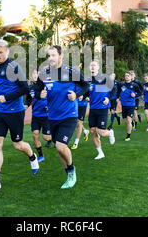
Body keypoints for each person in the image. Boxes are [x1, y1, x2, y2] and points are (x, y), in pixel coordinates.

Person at [0, 39, 38, 192]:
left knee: (17, 144)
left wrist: (6, 97)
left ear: (7, 52)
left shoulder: (14, 67)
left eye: (0, 52)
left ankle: (32, 156)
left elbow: (25, 89)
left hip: (15, 112)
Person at [33, 45, 89, 189]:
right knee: (59, 149)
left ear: (60, 56)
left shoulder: (70, 72)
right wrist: (40, 95)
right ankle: (68, 173)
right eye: (48, 55)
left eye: (53, 55)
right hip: (52, 117)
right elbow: (36, 90)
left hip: (69, 115)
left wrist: (76, 95)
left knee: (60, 145)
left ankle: (71, 170)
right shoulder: (44, 74)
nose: (50, 58)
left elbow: (86, 86)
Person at [86, 60, 116, 159]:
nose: (92, 67)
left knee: (101, 133)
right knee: (93, 131)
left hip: (102, 108)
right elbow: (86, 92)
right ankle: (100, 153)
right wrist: (85, 96)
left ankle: (110, 132)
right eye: (91, 66)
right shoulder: (88, 80)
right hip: (93, 109)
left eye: (94, 65)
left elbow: (114, 89)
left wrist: (108, 98)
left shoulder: (105, 78)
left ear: (98, 67)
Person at [26, 68, 52, 162]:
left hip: (46, 116)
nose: (34, 75)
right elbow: (29, 100)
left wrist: (50, 106)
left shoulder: (46, 85)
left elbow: (53, 97)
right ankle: (41, 155)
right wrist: (25, 106)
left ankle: (51, 138)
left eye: (36, 74)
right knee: (35, 135)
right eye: (32, 74)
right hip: (35, 116)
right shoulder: (30, 88)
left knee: (46, 137)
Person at [118, 72, 141, 141]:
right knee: (125, 121)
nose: (126, 77)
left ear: (131, 77)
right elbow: (118, 91)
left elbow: (140, 92)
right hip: (123, 105)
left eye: (128, 76)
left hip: (131, 105)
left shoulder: (134, 85)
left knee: (128, 119)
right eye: (125, 76)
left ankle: (128, 136)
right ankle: (132, 123)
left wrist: (135, 95)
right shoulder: (122, 84)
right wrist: (117, 97)